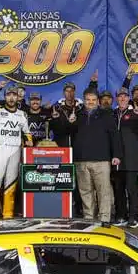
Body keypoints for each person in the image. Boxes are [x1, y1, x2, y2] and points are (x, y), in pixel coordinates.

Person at [53, 87, 122, 225]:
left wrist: (117, 155)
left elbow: (115, 137)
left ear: (98, 101)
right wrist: (66, 122)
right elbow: (65, 131)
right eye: (88, 100)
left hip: (101, 160)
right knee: (85, 192)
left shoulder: (106, 115)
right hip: (81, 161)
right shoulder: (77, 114)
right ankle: (89, 219)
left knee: (104, 191)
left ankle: (104, 220)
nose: (90, 102)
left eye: (93, 100)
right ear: (83, 100)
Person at [0, 85, 33, 219]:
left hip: (15, 154)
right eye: (8, 95)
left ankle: (7, 219)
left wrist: (29, 140)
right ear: (4, 97)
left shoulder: (22, 115)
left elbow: (27, 133)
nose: (11, 97)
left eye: (14, 95)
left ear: (18, 97)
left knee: (10, 189)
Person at [51, 81, 84, 216]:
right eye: (67, 91)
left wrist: (74, 124)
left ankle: (79, 210)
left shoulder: (81, 108)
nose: (69, 93)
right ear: (63, 93)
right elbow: (56, 130)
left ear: (74, 92)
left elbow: (82, 129)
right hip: (63, 151)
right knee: (62, 179)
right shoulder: (57, 108)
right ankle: (62, 209)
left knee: (80, 182)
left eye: (71, 91)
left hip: (78, 151)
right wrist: (55, 120)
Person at [112, 87, 138, 228]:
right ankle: (120, 216)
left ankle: (133, 217)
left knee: (132, 190)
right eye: (120, 96)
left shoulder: (135, 113)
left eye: (125, 96)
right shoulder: (113, 113)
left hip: (131, 159)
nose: (122, 98)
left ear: (128, 98)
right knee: (118, 190)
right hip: (116, 160)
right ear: (116, 98)